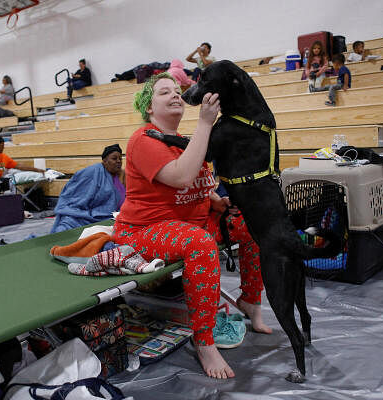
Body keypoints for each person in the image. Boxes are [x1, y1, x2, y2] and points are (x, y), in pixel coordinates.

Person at [112, 73, 271, 380]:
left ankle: (250, 301)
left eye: (177, 90)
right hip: (146, 228)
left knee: (251, 223)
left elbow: (198, 184)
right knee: (200, 242)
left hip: (189, 221)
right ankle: (204, 339)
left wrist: (215, 201)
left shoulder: (185, 140)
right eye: (164, 92)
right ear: (148, 108)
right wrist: (205, 123)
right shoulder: (142, 140)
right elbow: (180, 177)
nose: (175, 95)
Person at [50, 144, 125, 233]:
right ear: (105, 161)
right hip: (89, 214)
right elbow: (77, 195)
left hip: (112, 216)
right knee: (67, 227)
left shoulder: (122, 175)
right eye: (114, 158)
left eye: (120, 158)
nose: (118, 161)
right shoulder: (92, 172)